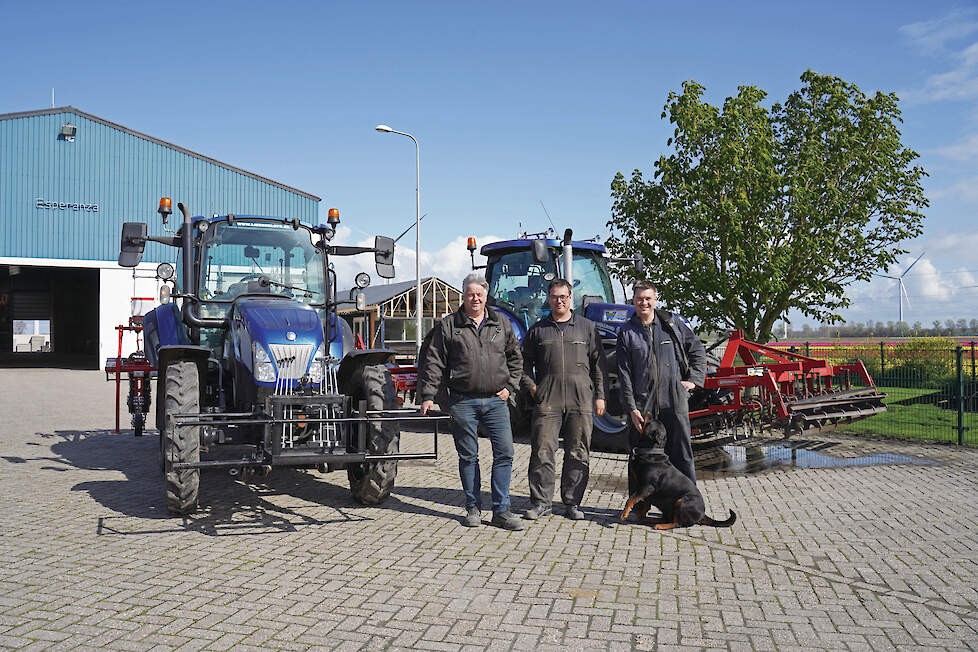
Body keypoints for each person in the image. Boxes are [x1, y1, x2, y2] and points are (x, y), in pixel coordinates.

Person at [418, 273, 526, 531]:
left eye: (479, 294)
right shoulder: (449, 325)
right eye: (470, 294)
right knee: (468, 457)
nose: (475, 298)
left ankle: (501, 510)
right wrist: (428, 396)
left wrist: (510, 388)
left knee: (505, 453)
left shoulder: (500, 324)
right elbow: (434, 362)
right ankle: (473, 507)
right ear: (463, 296)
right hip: (463, 402)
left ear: (486, 295)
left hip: (496, 401)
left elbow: (516, 359)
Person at [521, 278, 606, 521]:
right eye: (555, 297)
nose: (559, 301)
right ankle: (541, 502)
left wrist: (600, 396)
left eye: (564, 297)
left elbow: (599, 365)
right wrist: (533, 388)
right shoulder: (538, 330)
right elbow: (522, 364)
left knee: (578, 451)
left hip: (581, 399)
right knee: (542, 451)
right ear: (549, 299)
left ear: (571, 298)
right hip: (548, 399)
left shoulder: (587, 328)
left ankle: (573, 503)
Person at [616, 281, 707, 486]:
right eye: (640, 299)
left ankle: (687, 502)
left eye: (648, 298)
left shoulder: (671, 325)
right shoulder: (626, 333)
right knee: (640, 457)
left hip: (673, 399)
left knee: (681, 453)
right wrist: (631, 408)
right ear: (633, 301)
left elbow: (697, 350)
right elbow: (624, 375)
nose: (644, 303)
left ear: (655, 300)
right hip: (643, 405)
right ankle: (639, 506)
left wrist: (694, 380)